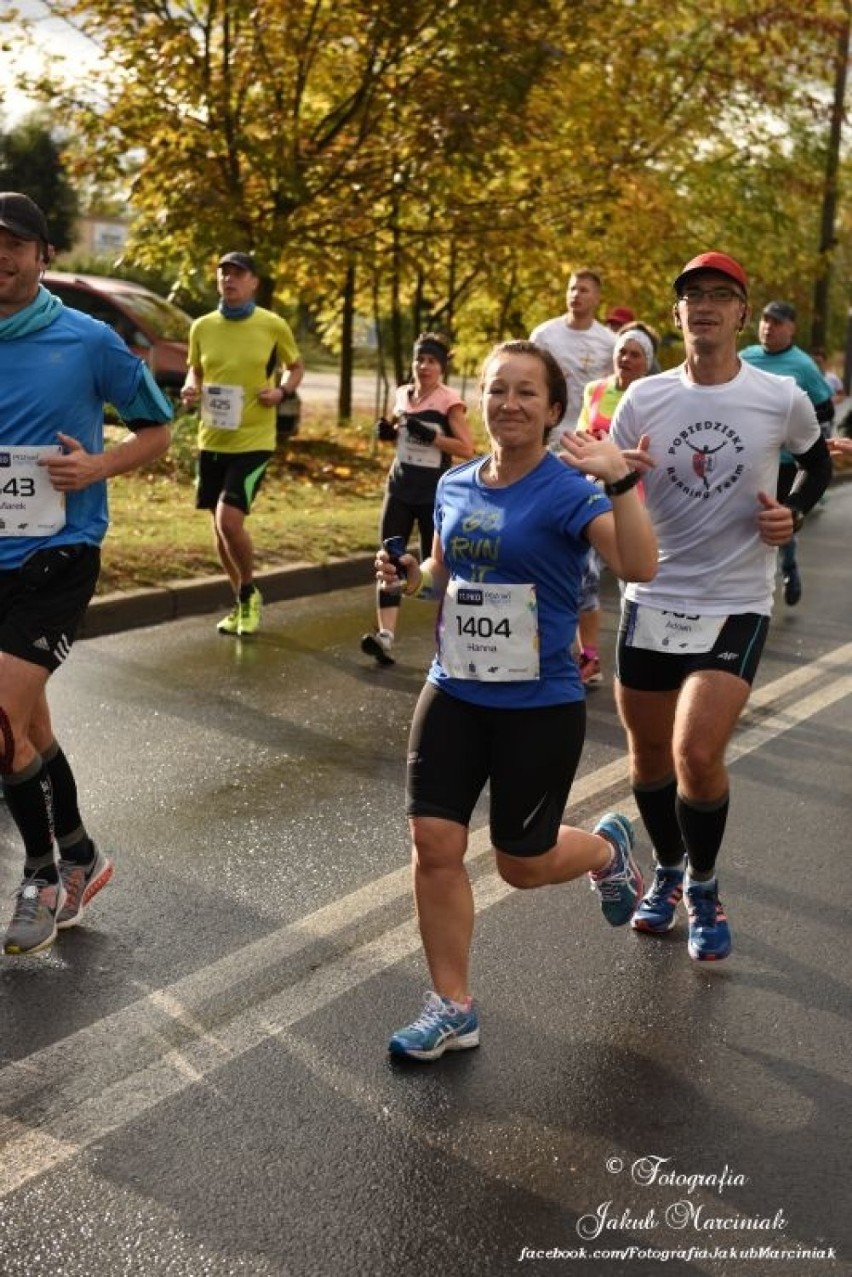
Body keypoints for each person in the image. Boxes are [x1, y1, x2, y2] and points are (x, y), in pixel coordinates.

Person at [380, 339, 658, 1060]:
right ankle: (452, 1004)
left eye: (527, 392)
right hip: (455, 687)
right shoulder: (456, 483)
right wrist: (410, 573)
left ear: (554, 409)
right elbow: (444, 573)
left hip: (539, 702)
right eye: (498, 388)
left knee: (520, 863)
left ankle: (605, 849)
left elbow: (638, 564)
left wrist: (621, 483)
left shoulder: (571, 489)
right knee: (433, 842)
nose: (509, 402)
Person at [608, 252, 832, 963]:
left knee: (695, 753)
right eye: (691, 296)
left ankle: (703, 883)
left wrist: (792, 512)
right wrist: (616, 477)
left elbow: (816, 458)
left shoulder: (778, 396)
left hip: (736, 599)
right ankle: (669, 867)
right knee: (647, 763)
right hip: (653, 595)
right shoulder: (643, 398)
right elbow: (605, 479)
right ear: (677, 314)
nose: (704, 305)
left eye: (720, 294)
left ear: (742, 312)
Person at [0, 191, 172, 956]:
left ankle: (39, 874)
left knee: (1, 720)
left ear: (43, 256)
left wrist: (99, 463)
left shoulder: (88, 339)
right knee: (27, 727)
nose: (1, 257)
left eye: (15, 245)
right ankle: (80, 854)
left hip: (57, 556)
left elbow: (160, 428)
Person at [181, 252, 304, 637]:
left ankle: (249, 591)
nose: (229, 280)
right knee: (219, 531)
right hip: (212, 437)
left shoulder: (272, 325)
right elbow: (196, 368)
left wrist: (282, 391)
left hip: (254, 439)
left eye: (237, 274)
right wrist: (191, 386)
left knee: (228, 519)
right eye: (223, 274)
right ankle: (241, 600)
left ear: (254, 283)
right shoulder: (202, 326)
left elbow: (296, 366)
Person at [360, 332, 474, 667]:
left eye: (431, 361)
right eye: (419, 359)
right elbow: (402, 432)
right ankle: (385, 637)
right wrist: (388, 432)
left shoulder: (448, 401)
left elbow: (466, 448)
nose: (423, 366)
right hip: (399, 488)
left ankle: (450, 639)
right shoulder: (402, 394)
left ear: (441, 367)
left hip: (433, 495)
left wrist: (434, 437)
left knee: (435, 570)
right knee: (388, 557)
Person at [574, 326, 655, 686]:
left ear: (647, 362)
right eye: (622, 352)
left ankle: (635, 654)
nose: (626, 359)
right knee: (585, 578)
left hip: (632, 497)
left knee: (630, 581)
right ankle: (589, 658)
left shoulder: (652, 395)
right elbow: (580, 434)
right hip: (592, 496)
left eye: (635, 354)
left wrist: (621, 463)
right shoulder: (595, 390)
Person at [740, 300, 834, 606]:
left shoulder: (803, 365)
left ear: (791, 328)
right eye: (765, 320)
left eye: (777, 322)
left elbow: (825, 408)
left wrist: (794, 434)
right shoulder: (745, 357)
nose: (768, 327)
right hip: (746, 456)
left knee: (778, 516)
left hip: (786, 461)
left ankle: (788, 566)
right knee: (747, 521)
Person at [529, 269, 616, 441]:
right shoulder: (543, 335)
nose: (576, 294)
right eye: (572, 289)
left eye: (583, 290)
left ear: (597, 298)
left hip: (587, 432)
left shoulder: (610, 342)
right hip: (546, 427)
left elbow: (612, 387)